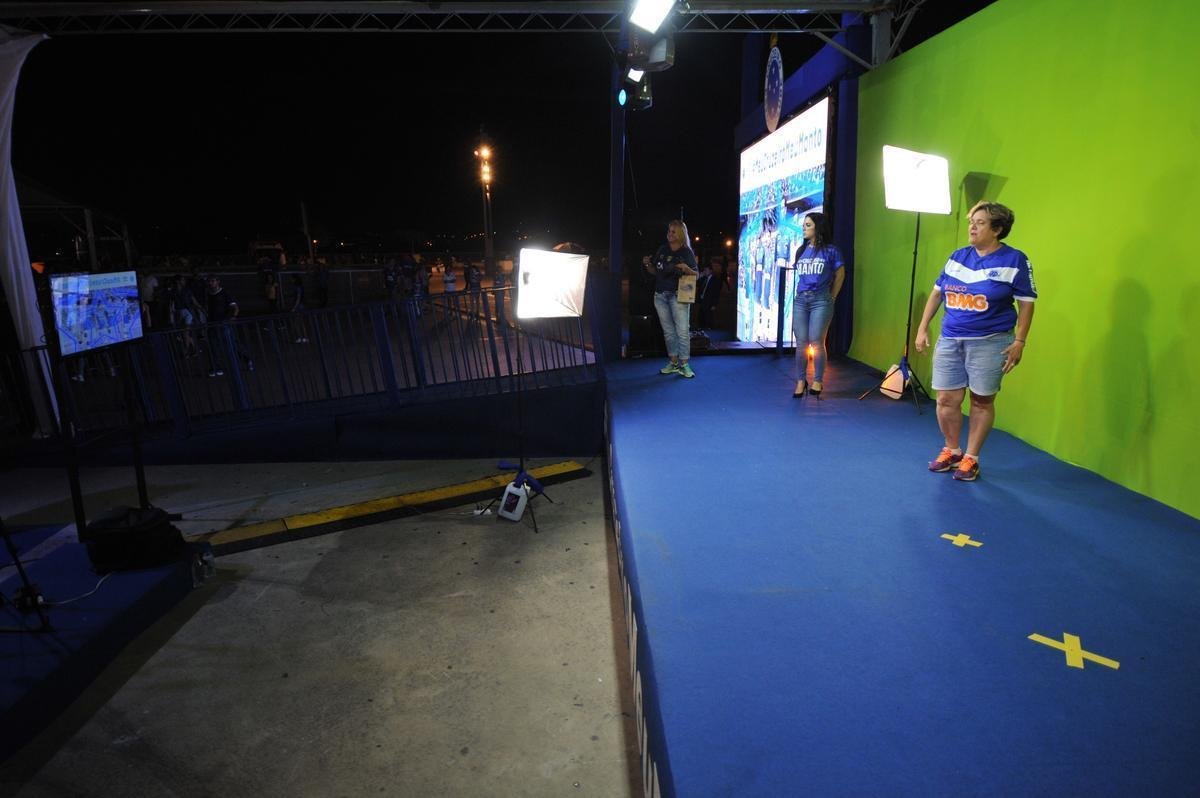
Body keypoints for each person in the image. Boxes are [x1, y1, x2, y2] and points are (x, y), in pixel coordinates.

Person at [914, 200, 1037, 482]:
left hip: (991, 341)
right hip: (951, 338)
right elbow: (937, 294)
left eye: (980, 223)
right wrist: (922, 328)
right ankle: (952, 450)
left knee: (981, 401)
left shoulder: (1015, 260)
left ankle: (971, 458)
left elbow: (1027, 304)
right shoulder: (958, 256)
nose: (972, 227)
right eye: (972, 222)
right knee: (946, 398)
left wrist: (1020, 341)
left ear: (997, 230)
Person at [790, 211, 845, 398]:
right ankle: (800, 381)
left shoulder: (831, 251)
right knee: (801, 342)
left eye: (808, 225)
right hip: (800, 300)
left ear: (818, 227)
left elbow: (840, 274)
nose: (804, 228)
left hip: (821, 299)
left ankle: (818, 381)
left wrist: (832, 297)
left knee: (816, 340)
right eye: (804, 225)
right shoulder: (801, 250)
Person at [642, 219, 699, 378]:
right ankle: (673, 363)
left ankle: (684, 364)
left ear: (681, 233)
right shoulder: (662, 249)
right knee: (668, 332)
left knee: (682, 331)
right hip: (660, 296)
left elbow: (697, 274)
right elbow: (656, 272)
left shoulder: (686, 252)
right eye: (669, 231)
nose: (670, 234)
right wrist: (648, 265)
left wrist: (687, 268)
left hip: (678, 296)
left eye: (674, 231)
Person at [696, 255, 724, 330]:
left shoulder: (715, 279)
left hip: (709, 301)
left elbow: (716, 292)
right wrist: (701, 275)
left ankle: (709, 329)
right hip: (702, 300)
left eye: (706, 270)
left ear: (710, 270)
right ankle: (701, 328)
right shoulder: (705, 278)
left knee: (708, 316)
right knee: (701, 315)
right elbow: (697, 283)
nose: (705, 272)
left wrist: (714, 304)